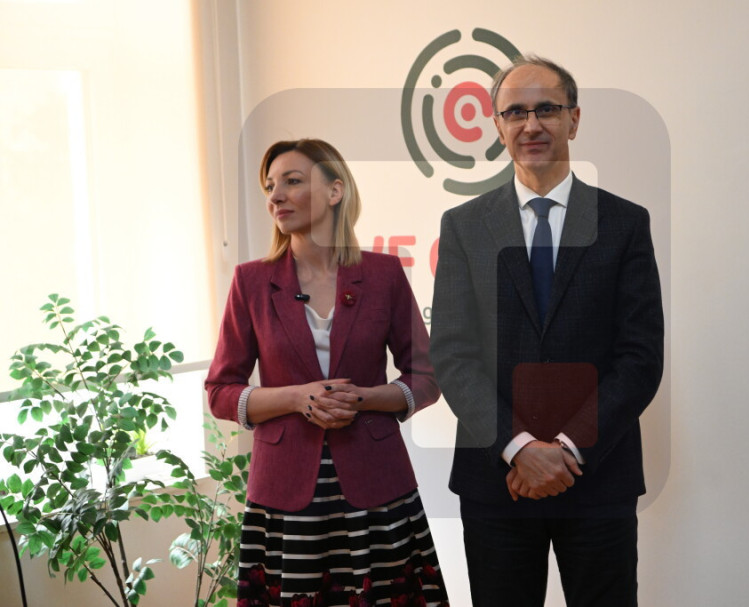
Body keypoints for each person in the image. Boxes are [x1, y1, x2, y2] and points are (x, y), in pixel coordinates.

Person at [430, 55, 664, 606]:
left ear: (573, 120)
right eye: (515, 112)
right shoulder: (463, 226)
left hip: (596, 478)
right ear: (498, 126)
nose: (531, 125)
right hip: (497, 482)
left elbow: (640, 357)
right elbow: (454, 356)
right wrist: (518, 449)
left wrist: (566, 449)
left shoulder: (625, 223)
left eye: (547, 110)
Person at [205, 139, 448, 607]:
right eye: (270, 186)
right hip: (285, 490)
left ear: (335, 191)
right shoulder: (251, 282)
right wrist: (298, 398)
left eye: (292, 181)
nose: (276, 196)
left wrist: (362, 398)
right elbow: (219, 390)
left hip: (377, 486)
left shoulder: (384, 275)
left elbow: (426, 376)